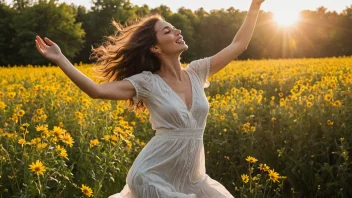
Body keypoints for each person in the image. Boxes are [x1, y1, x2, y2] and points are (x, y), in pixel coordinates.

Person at [35, 0, 264, 197]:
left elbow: (238, 45)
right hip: (150, 176)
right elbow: (96, 90)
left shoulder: (197, 72)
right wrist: (60, 58)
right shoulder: (147, 82)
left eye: (175, 28)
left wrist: (254, 6)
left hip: (194, 178)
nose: (177, 32)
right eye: (168, 31)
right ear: (155, 47)